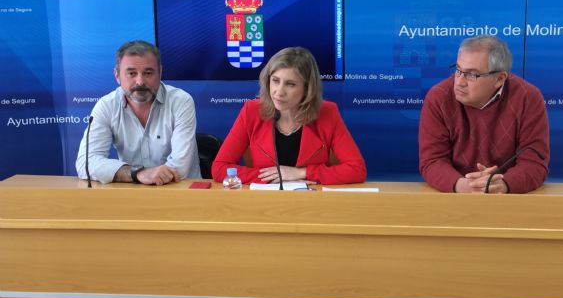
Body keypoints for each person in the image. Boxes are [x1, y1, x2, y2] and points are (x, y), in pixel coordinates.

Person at [212, 47, 366, 185]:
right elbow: (220, 168)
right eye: (275, 81)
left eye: (290, 84)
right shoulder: (252, 111)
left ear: (307, 88)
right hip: (264, 200)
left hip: (311, 201)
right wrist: (275, 177)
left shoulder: (327, 112)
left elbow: (356, 169)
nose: (279, 92)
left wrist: (302, 173)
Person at [419, 35, 550, 193]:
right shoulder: (439, 97)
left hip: (508, 199)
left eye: (471, 74)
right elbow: (432, 161)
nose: (459, 81)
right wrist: (465, 186)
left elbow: (534, 163)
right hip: (455, 197)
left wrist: (503, 185)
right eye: (458, 70)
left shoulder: (528, 98)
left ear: (499, 79)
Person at [76, 40, 200, 185]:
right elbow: (86, 163)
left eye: (148, 73)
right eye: (131, 73)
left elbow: (179, 168)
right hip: (132, 193)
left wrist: (144, 177)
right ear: (117, 76)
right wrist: (137, 173)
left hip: (182, 191)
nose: (140, 81)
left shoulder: (180, 102)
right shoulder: (106, 106)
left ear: (160, 73)